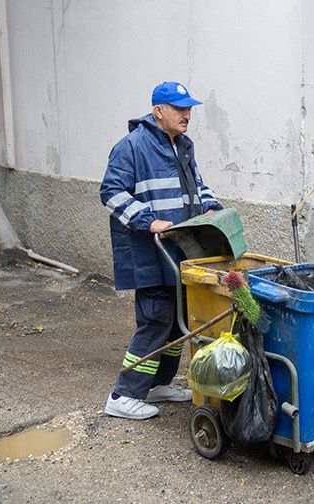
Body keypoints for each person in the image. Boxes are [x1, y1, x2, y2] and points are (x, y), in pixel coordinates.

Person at [100, 82, 223, 420]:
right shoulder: (132, 146)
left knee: (177, 320)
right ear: (158, 111)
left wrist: (211, 206)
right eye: (180, 109)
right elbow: (110, 192)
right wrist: (148, 220)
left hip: (179, 249)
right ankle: (123, 395)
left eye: (189, 108)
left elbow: (197, 185)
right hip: (149, 251)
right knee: (155, 319)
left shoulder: (182, 145)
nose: (187, 115)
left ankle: (158, 384)